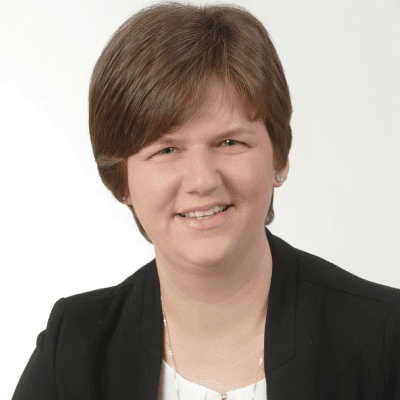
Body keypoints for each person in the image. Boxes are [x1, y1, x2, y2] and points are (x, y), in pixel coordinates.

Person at [12, 1, 400, 399]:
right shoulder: (73, 349)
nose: (202, 181)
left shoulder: (385, 338)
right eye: (166, 150)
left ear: (279, 157)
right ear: (121, 179)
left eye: (229, 142)